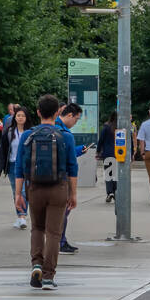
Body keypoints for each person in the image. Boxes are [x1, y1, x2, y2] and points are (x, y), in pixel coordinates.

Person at [14, 95, 78, 291]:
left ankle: (37, 265)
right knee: (53, 233)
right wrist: (72, 194)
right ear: (58, 112)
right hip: (58, 188)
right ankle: (48, 277)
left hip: (34, 188)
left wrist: (18, 194)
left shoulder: (27, 136)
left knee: (37, 229)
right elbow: (72, 168)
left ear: (38, 112)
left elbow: (19, 167)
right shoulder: (66, 136)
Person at [56, 103, 88, 255]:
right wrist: (73, 193)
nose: (76, 122)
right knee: (63, 212)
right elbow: (71, 163)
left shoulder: (49, 128)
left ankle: (58, 242)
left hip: (42, 178)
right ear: (69, 115)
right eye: (76, 119)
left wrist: (78, 150)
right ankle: (60, 242)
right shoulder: (65, 133)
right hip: (61, 178)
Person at [0, 105, 32, 228]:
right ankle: (20, 216)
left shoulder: (31, 133)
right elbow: (3, 150)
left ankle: (22, 216)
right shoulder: (10, 132)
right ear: (14, 117)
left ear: (27, 118)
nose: (20, 118)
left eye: (23, 115)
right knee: (15, 191)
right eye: (18, 116)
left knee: (23, 191)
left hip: (26, 165)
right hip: (12, 165)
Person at [97, 112, 118, 203]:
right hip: (119, 155)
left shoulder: (106, 127)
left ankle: (110, 192)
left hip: (108, 154)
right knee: (116, 175)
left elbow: (101, 140)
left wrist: (98, 151)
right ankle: (115, 192)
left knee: (108, 174)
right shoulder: (121, 127)